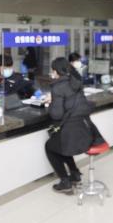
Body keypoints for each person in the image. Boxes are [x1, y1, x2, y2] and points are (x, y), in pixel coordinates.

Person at [44, 57, 94, 194]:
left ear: (55, 71)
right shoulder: (76, 82)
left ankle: (65, 181)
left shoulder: (57, 86)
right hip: (85, 131)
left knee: (50, 146)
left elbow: (56, 115)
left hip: (70, 131)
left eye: (52, 71)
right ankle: (75, 173)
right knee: (61, 144)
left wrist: (50, 103)